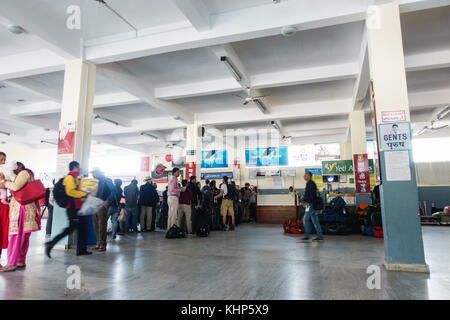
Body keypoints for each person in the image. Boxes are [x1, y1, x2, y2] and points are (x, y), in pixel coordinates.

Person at [0, 162, 41, 272]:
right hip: (26, 208)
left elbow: (15, 186)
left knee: (16, 236)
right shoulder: (27, 174)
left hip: (22, 209)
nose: (11, 169)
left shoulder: (23, 173)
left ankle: (11, 263)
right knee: (23, 237)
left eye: (13, 167)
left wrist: (4, 181)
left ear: (19, 167)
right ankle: (20, 261)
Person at [45, 161, 90, 259]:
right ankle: (51, 244)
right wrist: (83, 194)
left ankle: (81, 250)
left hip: (78, 207)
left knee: (83, 228)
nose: (80, 169)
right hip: (73, 208)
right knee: (70, 229)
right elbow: (70, 192)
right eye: (78, 167)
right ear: (74, 167)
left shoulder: (75, 178)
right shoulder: (69, 178)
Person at [91, 168, 115, 251]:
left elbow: (113, 191)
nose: (93, 175)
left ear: (98, 173)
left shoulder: (106, 180)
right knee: (95, 225)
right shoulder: (94, 181)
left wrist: (108, 200)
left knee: (102, 225)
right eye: (92, 173)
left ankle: (103, 244)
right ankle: (98, 242)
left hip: (102, 204)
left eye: (94, 173)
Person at [301, 171, 324, 243]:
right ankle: (320, 237)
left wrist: (306, 202)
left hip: (310, 204)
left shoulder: (310, 184)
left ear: (310, 176)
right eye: (304, 175)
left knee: (305, 219)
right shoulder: (310, 183)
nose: (304, 176)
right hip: (312, 204)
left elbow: (311, 195)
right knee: (315, 221)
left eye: (306, 175)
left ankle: (307, 236)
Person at [0, 152, 9, 267]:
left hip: (4, 205)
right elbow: (4, 185)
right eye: (1, 160)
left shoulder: (4, 172)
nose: (3, 162)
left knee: (2, 232)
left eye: (4, 160)